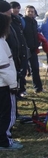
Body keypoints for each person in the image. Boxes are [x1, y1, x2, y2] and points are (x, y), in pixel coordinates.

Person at [0, 12, 22, 150]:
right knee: (5, 114)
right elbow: (3, 67)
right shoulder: (1, 43)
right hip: (3, 85)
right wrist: (13, 84)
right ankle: (4, 141)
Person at [9, 2, 29, 98]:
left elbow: (22, 36)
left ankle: (22, 89)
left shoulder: (19, 20)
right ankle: (16, 92)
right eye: (14, 8)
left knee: (22, 72)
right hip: (14, 53)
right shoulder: (9, 22)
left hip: (22, 51)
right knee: (16, 73)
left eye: (18, 8)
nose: (17, 10)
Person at [23, 5, 43, 93]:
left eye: (32, 11)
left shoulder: (34, 22)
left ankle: (38, 88)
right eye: (29, 11)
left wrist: (37, 44)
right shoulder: (22, 21)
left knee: (35, 68)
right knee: (23, 70)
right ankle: (22, 90)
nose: (31, 13)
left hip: (33, 49)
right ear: (25, 12)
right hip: (24, 50)